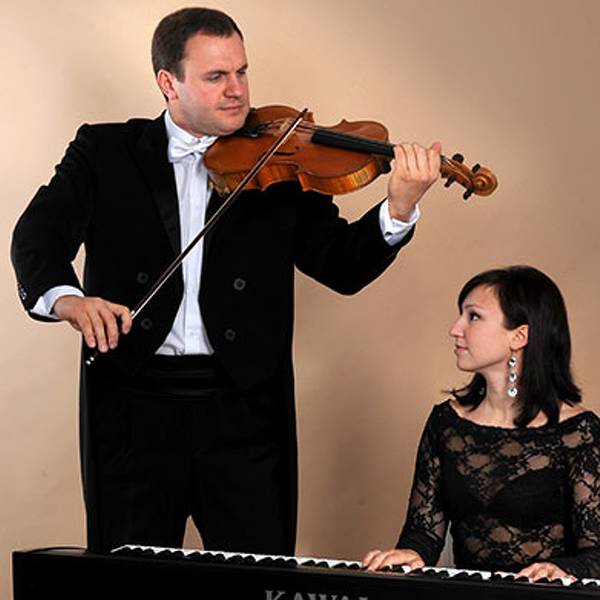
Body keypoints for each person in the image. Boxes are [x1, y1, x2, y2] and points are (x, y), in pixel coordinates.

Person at [11, 8, 441, 555]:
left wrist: (398, 210)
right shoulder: (104, 151)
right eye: (216, 76)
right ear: (168, 83)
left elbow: (342, 266)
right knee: (126, 580)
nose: (237, 90)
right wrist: (69, 300)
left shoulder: (278, 158)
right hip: (133, 409)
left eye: (241, 72)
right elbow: (36, 238)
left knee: (256, 578)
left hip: (244, 411)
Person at [363, 266, 600, 581]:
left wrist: (563, 570)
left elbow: (596, 554)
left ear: (519, 336)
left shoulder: (578, 433)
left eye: (473, 316)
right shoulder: (447, 423)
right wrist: (411, 553)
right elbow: (423, 533)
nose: (455, 329)